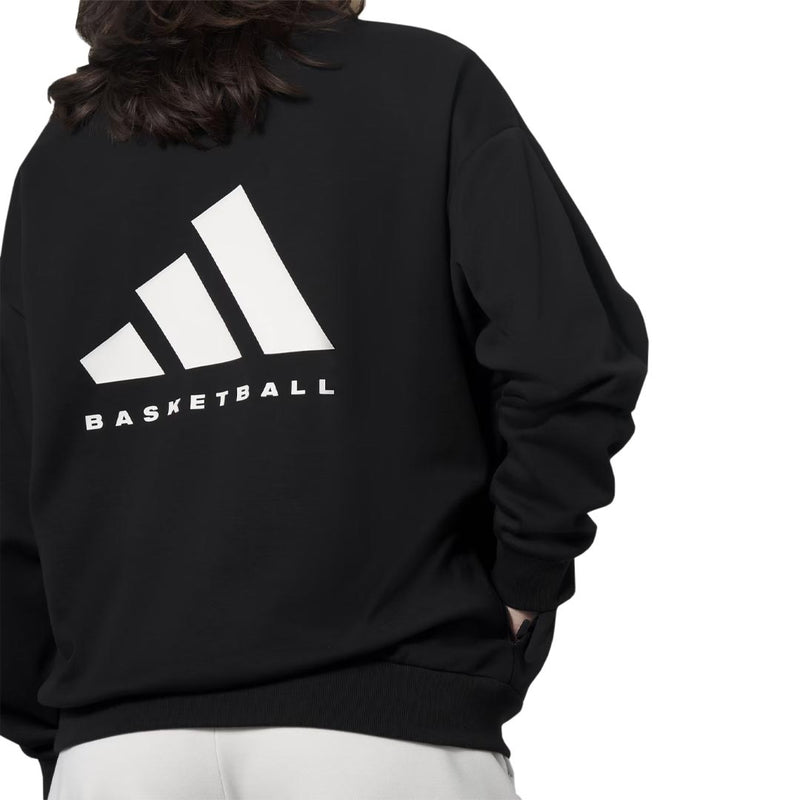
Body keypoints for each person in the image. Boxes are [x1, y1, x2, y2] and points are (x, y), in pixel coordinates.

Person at [0, 2, 648, 798]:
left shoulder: (59, 161)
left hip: (117, 752)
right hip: (385, 727)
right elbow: (570, 354)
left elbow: (13, 490)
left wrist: (67, 739)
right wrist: (522, 586)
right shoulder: (421, 81)